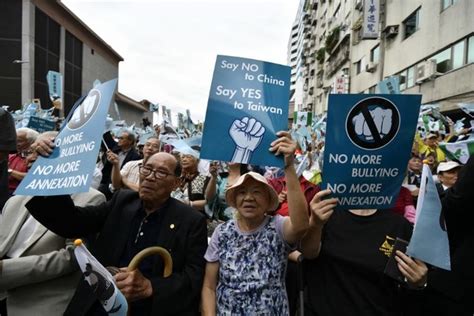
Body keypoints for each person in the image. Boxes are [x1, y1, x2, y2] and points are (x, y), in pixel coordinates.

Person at [26, 142, 208, 315]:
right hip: (97, 304)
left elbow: (194, 276)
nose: (150, 177)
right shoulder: (122, 201)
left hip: (147, 308)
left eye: (161, 173)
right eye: (147, 169)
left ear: (176, 183)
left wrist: (150, 287)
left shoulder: (191, 221)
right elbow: (72, 222)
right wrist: (49, 172)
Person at [201, 131, 309, 315]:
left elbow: (300, 226)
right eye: (242, 192)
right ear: (234, 200)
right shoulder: (222, 232)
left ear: (268, 201)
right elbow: (209, 286)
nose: (249, 198)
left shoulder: (277, 226)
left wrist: (289, 167)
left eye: (257, 192)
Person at [300, 190, 428, 316]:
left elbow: (405, 282)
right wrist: (315, 225)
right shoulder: (325, 216)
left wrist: (418, 283)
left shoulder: (398, 225)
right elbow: (309, 253)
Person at [0, 189, 105, 316]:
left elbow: (73, 256)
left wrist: (6, 269)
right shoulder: (15, 200)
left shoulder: (91, 198)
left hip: (40, 300)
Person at [421, 154, 474, 315]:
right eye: (450, 172)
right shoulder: (435, 197)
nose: (455, 175)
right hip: (454, 283)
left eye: (458, 171)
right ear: (440, 176)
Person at [99, 130, 141, 199]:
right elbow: (105, 138)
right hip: (106, 184)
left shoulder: (135, 157)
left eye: (121, 138)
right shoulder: (114, 148)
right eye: (118, 138)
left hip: (121, 187)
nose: (119, 140)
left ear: (130, 141)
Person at [8, 127, 39, 194]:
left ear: (31, 142)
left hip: (20, 195)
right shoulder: (11, 156)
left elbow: (31, 177)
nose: (16, 143)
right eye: (15, 140)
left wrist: (9, 171)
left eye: (19, 141)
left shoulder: (36, 159)